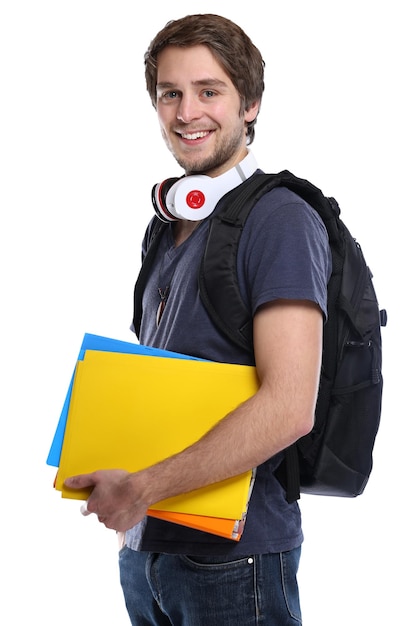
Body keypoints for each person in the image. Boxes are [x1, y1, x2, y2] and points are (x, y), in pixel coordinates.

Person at [64, 13, 332, 625]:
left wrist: (143, 488)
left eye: (210, 91)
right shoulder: (167, 224)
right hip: (148, 550)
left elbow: (291, 406)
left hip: (234, 562)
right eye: (170, 94)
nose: (187, 112)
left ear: (251, 104)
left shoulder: (281, 221)